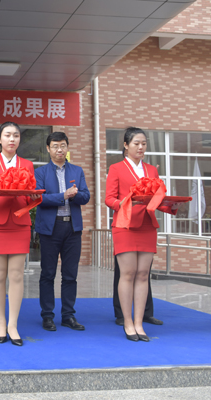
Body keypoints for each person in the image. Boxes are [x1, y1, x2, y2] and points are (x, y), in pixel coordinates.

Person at [105, 127, 178, 342]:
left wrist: (171, 206)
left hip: (147, 225)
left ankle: (139, 322)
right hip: (125, 225)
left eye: (144, 143)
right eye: (136, 143)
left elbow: (157, 199)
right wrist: (125, 203)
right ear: (126, 145)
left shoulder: (151, 170)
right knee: (128, 273)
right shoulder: (116, 168)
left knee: (143, 274)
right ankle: (127, 322)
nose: (140, 147)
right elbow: (109, 199)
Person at [0, 121, 39, 347]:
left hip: (19, 223)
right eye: (7, 135)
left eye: (15, 135)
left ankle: (13, 325)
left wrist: (34, 198)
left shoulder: (27, 164)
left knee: (16, 276)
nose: (12, 139)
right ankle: (1, 322)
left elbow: (30, 195)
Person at [35, 131, 90, 332]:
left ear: (67, 147)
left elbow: (86, 196)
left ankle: (68, 315)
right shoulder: (40, 172)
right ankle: (47, 316)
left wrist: (75, 196)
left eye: (63, 146)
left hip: (72, 228)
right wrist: (63, 196)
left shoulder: (77, 171)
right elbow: (38, 198)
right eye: (55, 146)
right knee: (47, 274)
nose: (60, 150)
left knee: (70, 274)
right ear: (48, 149)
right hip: (50, 228)